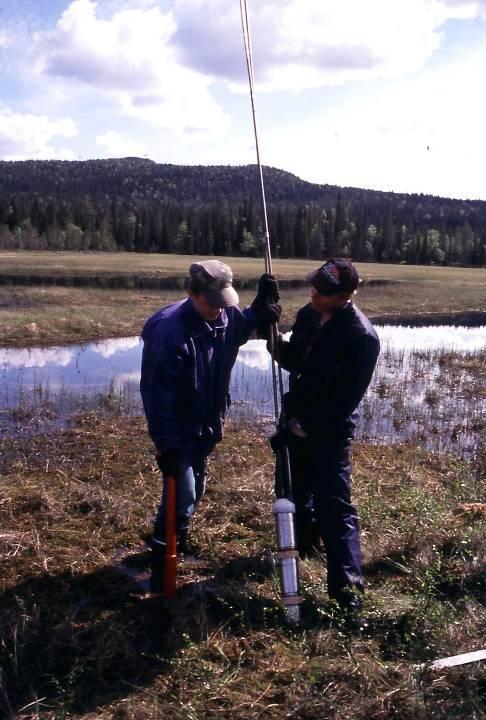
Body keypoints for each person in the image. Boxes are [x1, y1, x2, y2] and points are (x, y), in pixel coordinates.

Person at [140, 259, 278, 592]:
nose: (219, 310)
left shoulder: (225, 316)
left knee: (195, 491)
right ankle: (162, 563)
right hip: (180, 432)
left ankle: (176, 540)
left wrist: (262, 304)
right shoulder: (168, 331)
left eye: (224, 302)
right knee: (181, 494)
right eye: (211, 303)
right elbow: (157, 394)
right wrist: (167, 444)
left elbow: (242, 327)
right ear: (191, 292)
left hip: (207, 426)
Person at [268, 258, 380, 628]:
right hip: (295, 420)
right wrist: (272, 338)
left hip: (329, 432)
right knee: (293, 491)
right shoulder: (308, 315)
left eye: (323, 291)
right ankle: (305, 544)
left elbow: (345, 400)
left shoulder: (361, 338)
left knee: (336, 509)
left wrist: (305, 426)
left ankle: (347, 597)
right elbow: (295, 359)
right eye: (314, 285)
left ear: (345, 296)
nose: (313, 292)